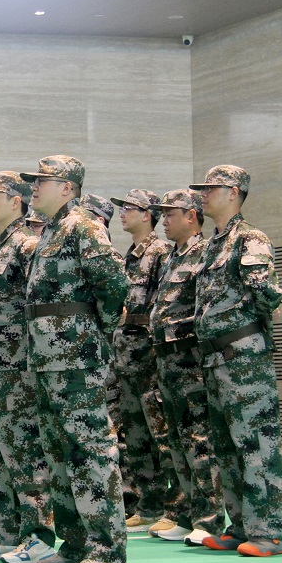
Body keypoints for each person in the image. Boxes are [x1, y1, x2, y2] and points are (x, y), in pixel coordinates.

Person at [20, 155, 130, 563]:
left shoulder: (83, 225)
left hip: (76, 358)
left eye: (41, 181)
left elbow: (113, 282)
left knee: (89, 450)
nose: (33, 187)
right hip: (48, 359)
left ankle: (108, 549)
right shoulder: (51, 230)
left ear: (67, 187)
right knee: (59, 452)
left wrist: (100, 327)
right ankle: (76, 543)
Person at [190, 165, 282, 557]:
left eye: (210, 188)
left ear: (233, 192)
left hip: (245, 359)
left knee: (256, 443)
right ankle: (240, 525)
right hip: (215, 359)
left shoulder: (250, 239)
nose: (203, 195)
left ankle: (268, 533)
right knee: (226, 447)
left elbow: (266, 292)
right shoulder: (212, 245)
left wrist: (249, 329)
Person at [0, 172, 53, 563]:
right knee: (1, 451)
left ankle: (39, 535)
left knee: (25, 450)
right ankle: (8, 533)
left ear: (16, 201)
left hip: (18, 365)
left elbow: (38, 303)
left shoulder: (27, 245)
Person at [148, 189, 224, 545]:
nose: (164, 220)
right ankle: (185, 513)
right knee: (176, 442)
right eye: (162, 214)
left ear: (191, 216)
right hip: (166, 362)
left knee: (199, 442)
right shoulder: (171, 257)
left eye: (170, 214)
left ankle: (209, 519)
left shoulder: (205, 254)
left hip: (190, 361)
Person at [108, 189, 180, 534]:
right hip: (126, 358)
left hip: (149, 357)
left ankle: (176, 508)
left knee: (163, 437)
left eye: (129, 208)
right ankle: (148, 504)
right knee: (136, 437)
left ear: (147, 214)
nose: (122, 214)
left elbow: (167, 303)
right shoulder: (130, 256)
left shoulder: (161, 252)